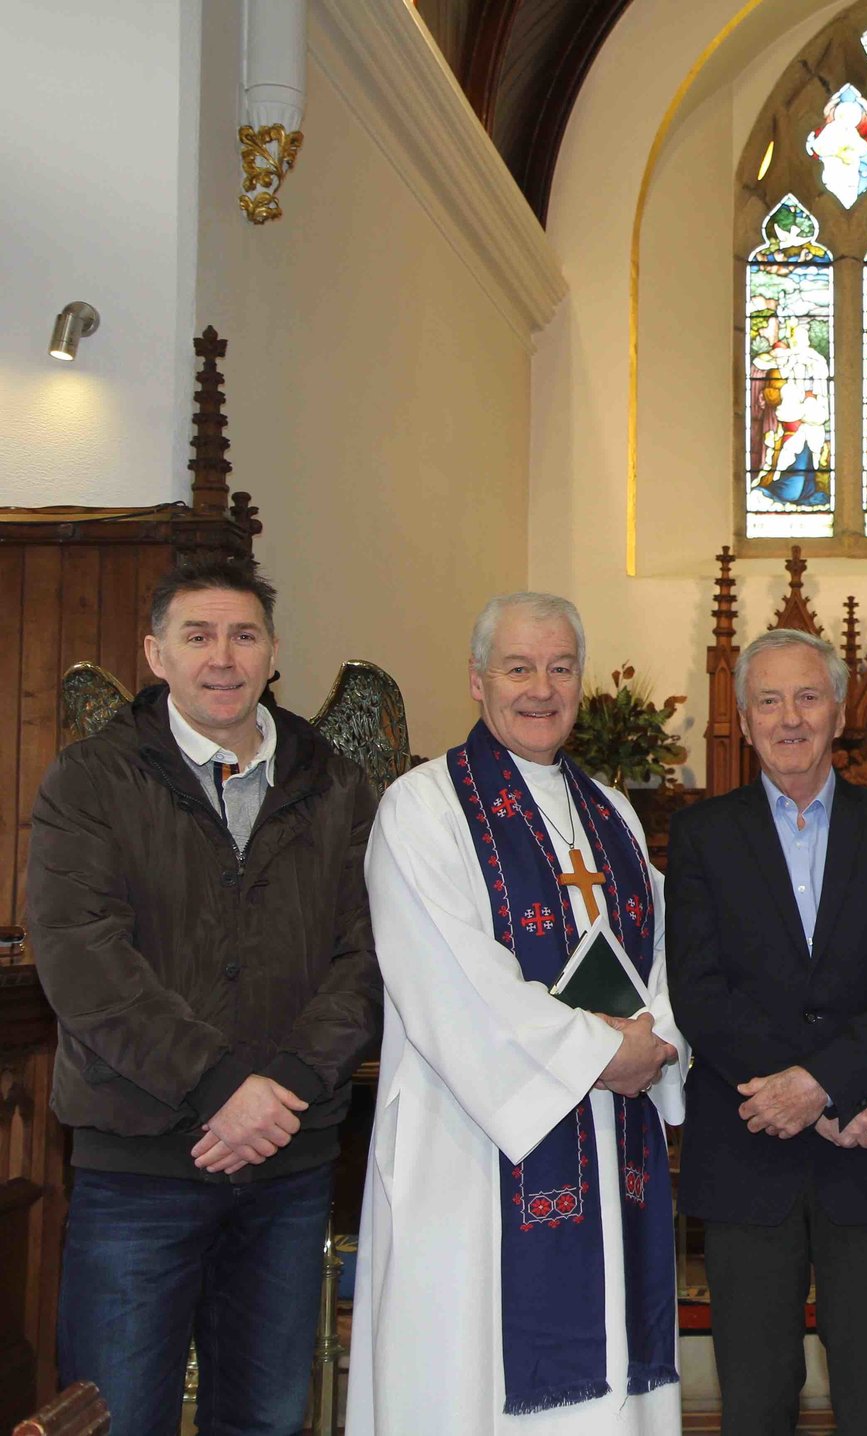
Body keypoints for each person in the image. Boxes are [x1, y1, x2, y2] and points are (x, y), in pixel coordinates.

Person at [27, 557, 381, 1436]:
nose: (222, 657)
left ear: (272, 654)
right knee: (118, 1417)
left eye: (244, 635)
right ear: (156, 653)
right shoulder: (91, 780)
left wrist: (288, 1082)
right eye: (198, 635)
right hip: (139, 1165)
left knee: (263, 1420)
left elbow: (371, 956)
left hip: (290, 1167)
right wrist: (221, 1087)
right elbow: (82, 960)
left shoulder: (337, 784)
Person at [347, 593, 687, 1435]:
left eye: (561, 668)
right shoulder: (422, 809)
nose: (542, 688)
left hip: (611, 1144)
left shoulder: (612, 811)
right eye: (519, 668)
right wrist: (599, 1055)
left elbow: (664, 956)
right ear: (476, 680)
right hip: (472, 1153)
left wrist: (661, 1041)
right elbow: (454, 984)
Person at [666, 626, 867, 1436]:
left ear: (839, 710)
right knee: (754, 1399)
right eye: (769, 700)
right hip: (749, 1144)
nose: (790, 717)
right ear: (746, 720)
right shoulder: (702, 834)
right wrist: (815, 1095)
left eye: (808, 697)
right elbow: (701, 990)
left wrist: (825, 1086)